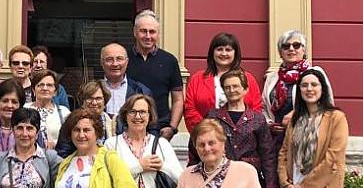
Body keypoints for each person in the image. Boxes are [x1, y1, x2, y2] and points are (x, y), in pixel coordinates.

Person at [263, 30, 334, 188]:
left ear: (304, 49)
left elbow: (327, 103)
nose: (291, 49)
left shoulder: (315, 74)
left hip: (308, 143)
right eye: (286, 46)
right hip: (279, 142)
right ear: (280, 51)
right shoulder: (273, 78)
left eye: (297, 45)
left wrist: (299, 115)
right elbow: (265, 106)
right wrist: (269, 122)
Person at [190, 69, 277, 188]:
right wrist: (193, 176)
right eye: (227, 87)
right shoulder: (213, 116)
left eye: (235, 86)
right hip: (217, 179)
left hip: (249, 179)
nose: (231, 90)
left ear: (245, 89)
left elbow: (267, 153)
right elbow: (195, 147)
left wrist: (270, 183)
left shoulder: (257, 119)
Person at [183, 32, 262, 132]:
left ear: (235, 53)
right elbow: (190, 109)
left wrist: (242, 133)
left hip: (243, 140)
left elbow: (257, 108)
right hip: (205, 139)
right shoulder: (197, 79)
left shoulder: (248, 78)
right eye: (219, 49)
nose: (224, 53)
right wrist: (206, 131)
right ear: (212, 52)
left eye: (228, 50)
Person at [125, 9, 184, 139]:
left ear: (158, 34)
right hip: (127, 127)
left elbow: (178, 99)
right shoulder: (123, 59)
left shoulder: (170, 61)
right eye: (143, 31)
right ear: (135, 32)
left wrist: (172, 128)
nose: (148, 36)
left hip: (159, 129)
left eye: (152, 32)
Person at [54, 81, 115, 157]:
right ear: (82, 100)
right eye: (89, 98)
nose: (94, 102)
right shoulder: (72, 121)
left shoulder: (113, 122)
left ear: (105, 101)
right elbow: (62, 153)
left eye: (98, 98)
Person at [100, 42, 151, 118]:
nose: (115, 64)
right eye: (109, 59)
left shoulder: (142, 91)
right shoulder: (93, 91)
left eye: (119, 59)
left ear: (127, 62)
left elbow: (151, 125)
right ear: (102, 63)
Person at [24, 69, 70, 149]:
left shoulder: (64, 112)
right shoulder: (24, 108)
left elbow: (69, 138)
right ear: (33, 90)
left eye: (49, 85)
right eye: (40, 85)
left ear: (55, 91)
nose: (45, 88)